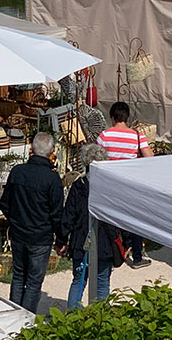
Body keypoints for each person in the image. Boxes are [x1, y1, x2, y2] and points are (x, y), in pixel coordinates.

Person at [0, 132, 66, 313]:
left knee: (19, 276)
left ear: (31, 150)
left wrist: (15, 220)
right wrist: (61, 239)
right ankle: (25, 321)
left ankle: (13, 315)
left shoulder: (17, 172)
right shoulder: (52, 179)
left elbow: (5, 204)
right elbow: (56, 214)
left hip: (19, 234)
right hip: (40, 237)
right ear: (52, 151)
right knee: (34, 281)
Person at [61, 144, 121, 310]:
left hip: (80, 242)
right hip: (104, 243)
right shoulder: (109, 188)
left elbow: (68, 216)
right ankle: (100, 321)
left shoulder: (78, 186)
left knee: (78, 281)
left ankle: (73, 319)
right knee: (102, 282)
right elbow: (119, 217)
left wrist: (61, 239)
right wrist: (127, 241)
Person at [94, 102, 153, 268]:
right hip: (130, 183)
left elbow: (97, 158)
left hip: (110, 183)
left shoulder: (104, 136)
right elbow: (151, 158)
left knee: (110, 219)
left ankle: (111, 251)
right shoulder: (137, 136)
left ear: (112, 118)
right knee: (134, 219)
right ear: (127, 118)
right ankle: (136, 256)